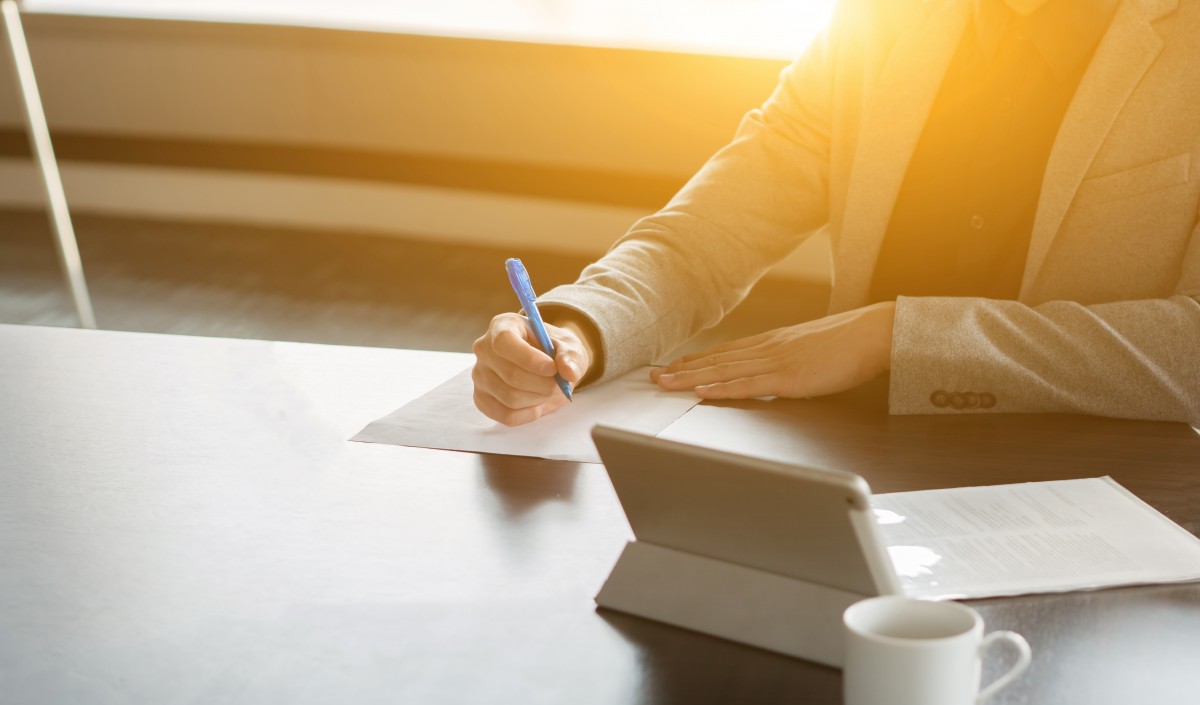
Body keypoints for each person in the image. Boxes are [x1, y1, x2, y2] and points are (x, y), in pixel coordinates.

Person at [471, 0, 1200, 427]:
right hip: (853, 467)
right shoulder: (878, 23)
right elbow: (707, 235)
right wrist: (580, 327)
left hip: (1102, 490)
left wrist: (897, 334)